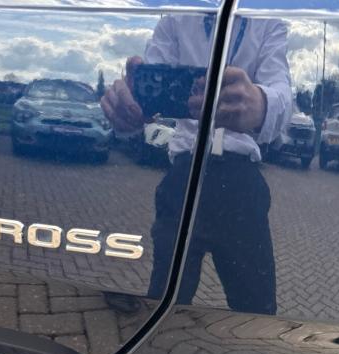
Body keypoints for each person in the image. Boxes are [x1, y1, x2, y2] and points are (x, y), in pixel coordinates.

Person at [102, 15, 292, 314]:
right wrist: (129, 106)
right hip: (184, 175)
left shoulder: (268, 21)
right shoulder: (176, 18)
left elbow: (282, 91)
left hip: (239, 182)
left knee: (258, 309)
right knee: (163, 305)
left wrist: (261, 103)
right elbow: (149, 85)